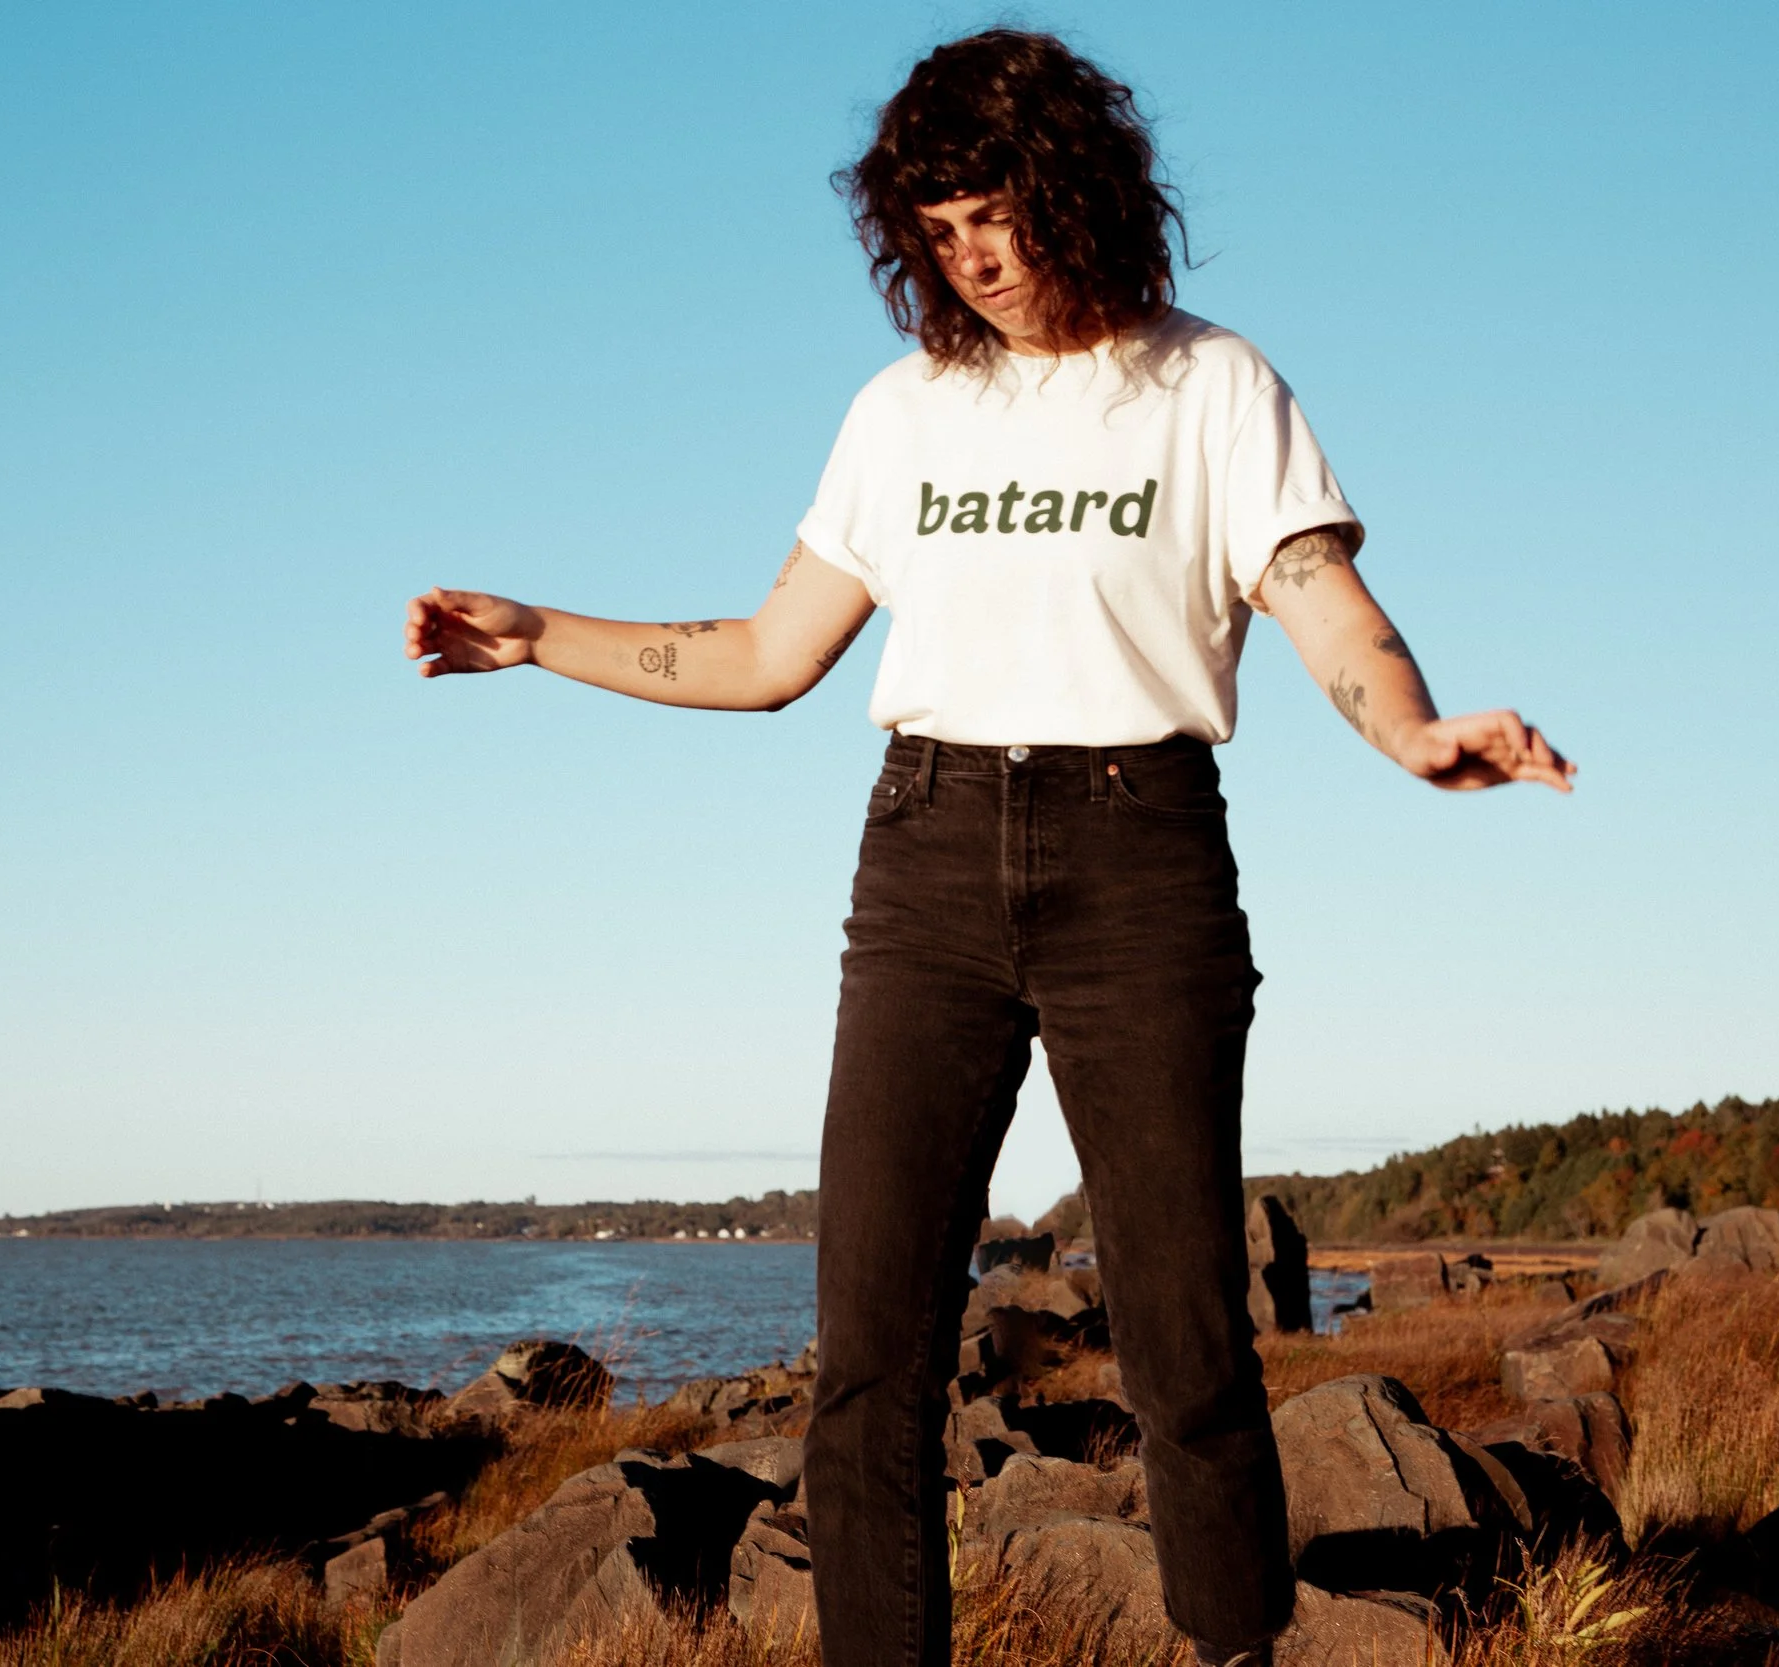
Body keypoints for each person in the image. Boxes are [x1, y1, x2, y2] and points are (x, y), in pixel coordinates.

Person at [402, 29, 1571, 1667]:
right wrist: (539, 636)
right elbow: (765, 654)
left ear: (1076, 194)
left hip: (1140, 863)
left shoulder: (1212, 385)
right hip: (925, 864)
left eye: (999, 218)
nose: (977, 260)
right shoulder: (904, 413)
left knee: (1186, 1341)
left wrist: (1416, 733)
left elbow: (1327, 606)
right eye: (940, 232)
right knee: (872, 1350)